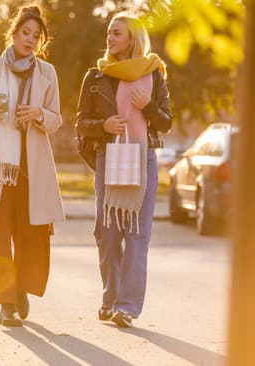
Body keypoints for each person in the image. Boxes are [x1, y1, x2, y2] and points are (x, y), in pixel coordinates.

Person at [0, 4, 65, 327]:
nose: (31, 40)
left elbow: (56, 119)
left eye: (37, 36)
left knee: (32, 235)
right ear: (14, 32)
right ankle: (6, 304)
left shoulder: (47, 73)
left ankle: (20, 287)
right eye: (26, 33)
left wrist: (38, 115)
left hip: (31, 170)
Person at [76, 13, 172, 328]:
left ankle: (127, 307)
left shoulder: (154, 73)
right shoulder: (96, 76)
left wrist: (148, 107)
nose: (110, 38)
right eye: (109, 33)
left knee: (136, 234)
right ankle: (111, 297)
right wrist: (103, 126)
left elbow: (165, 122)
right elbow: (81, 124)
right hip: (110, 156)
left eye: (116, 33)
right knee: (106, 233)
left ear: (131, 38)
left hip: (143, 159)